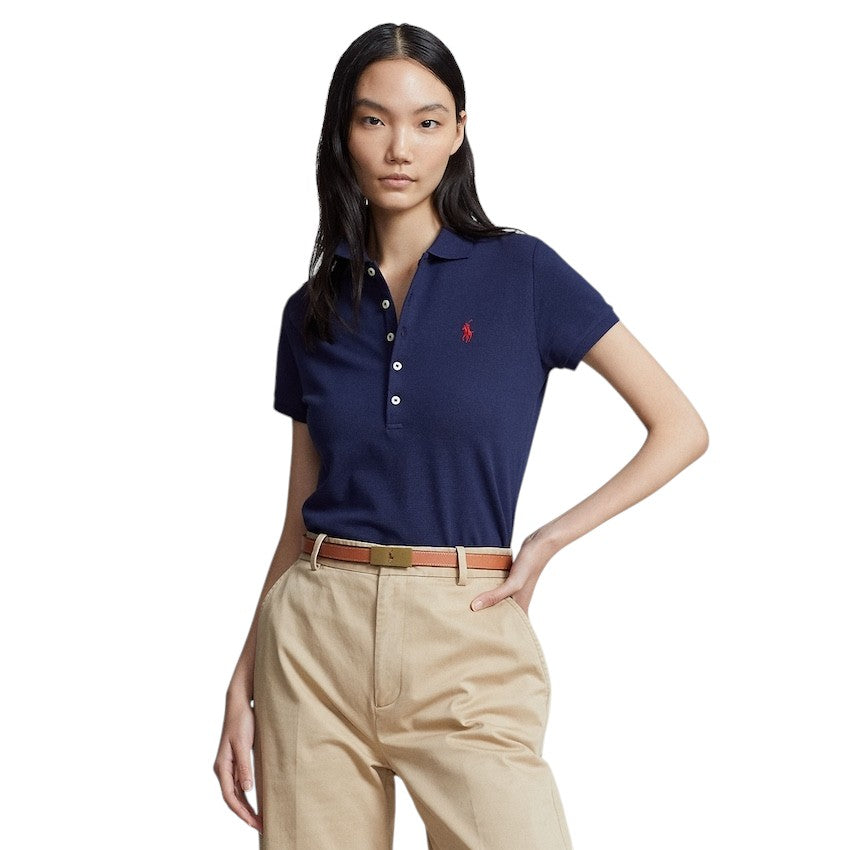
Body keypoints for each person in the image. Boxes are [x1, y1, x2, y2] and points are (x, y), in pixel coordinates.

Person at [214, 21, 709, 850]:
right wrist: (244, 677)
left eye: (426, 121)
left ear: (459, 132)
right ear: (342, 133)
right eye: (373, 120)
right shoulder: (312, 310)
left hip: (468, 630)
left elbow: (680, 427)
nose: (398, 148)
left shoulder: (524, 273)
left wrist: (547, 541)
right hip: (312, 642)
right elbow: (299, 517)